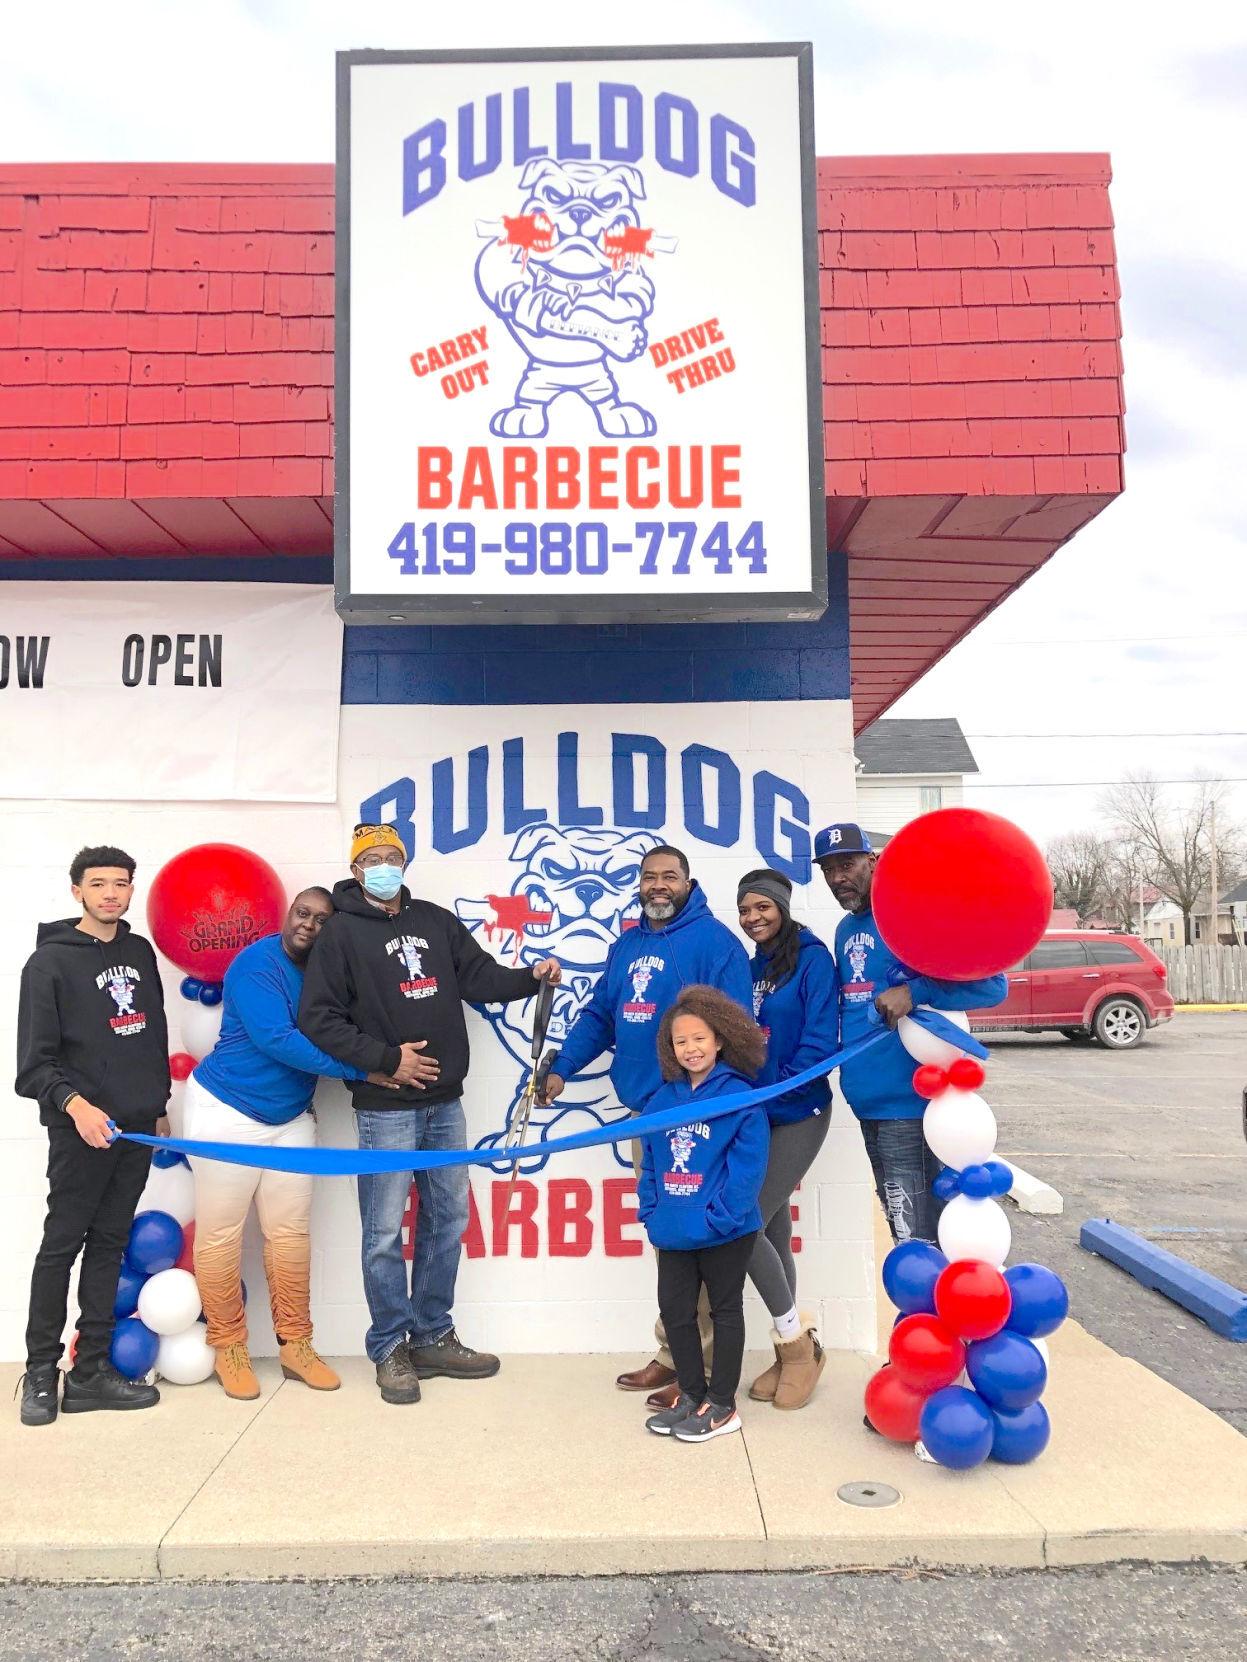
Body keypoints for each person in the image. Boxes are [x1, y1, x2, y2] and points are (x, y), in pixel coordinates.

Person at [297, 824, 561, 1405]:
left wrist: (529, 977)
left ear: (405, 863)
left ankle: (434, 1334)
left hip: (446, 1104)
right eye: (373, 859)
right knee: (384, 1232)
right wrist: (387, 1060)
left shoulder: (436, 921)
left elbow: (480, 977)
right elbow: (319, 1018)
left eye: (393, 857)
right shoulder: (339, 934)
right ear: (357, 868)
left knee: (447, 1222)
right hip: (386, 1107)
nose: (384, 866)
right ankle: (391, 1344)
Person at [186, 887, 424, 1400]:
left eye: (322, 919)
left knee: (289, 1236)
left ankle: (296, 1345)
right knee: (221, 1237)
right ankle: (228, 1345)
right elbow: (280, 1041)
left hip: (291, 1118)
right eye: (302, 914)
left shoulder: (331, 970)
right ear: (287, 914)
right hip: (225, 1112)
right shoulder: (256, 964)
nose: (310, 926)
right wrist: (367, 1067)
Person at [540, 844, 752, 1405]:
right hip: (647, 1117)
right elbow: (600, 1016)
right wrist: (562, 1067)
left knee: (700, 1239)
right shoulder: (627, 944)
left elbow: (737, 1030)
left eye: (670, 877)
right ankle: (676, 1353)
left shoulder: (715, 944)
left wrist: (708, 1104)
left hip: (698, 1120)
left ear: (688, 882)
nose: (659, 885)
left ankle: (696, 1370)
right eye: (649, 877)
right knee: (672, 1245)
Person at [15, 846, 169, 1426]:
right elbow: (34, 1065)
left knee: (109, 1246)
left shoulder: (139, 952)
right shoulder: (48, 964)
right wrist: (77, 1107)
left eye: (121, 883)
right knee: (61, 1248)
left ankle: (91, 1374)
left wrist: (157, 1104)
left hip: (134, 1130)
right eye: (98, 883)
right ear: (76, 890)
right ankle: (39, 1375)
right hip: (81, 1132)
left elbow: (151, 1030)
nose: (111, 893)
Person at [815, 823, 1007, 1245]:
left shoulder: (912, 915)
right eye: (827, 870)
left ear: (874, 861)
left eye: (846, 865)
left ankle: (943, 1309)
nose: (837, 878)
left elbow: (993, 985)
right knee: (902, 1228)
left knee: (914, 1238)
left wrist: (914, 991)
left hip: (910, 1102)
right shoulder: (845, 930)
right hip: (866, 1100)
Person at [637, 985, 769, 1443]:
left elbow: (748, 1169)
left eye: (699, 1039)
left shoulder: (740, 1098)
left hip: (723, 1232)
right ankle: (692, 1396)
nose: (690, 1048)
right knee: (676, 1313)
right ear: (669, 1048)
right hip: (672, 1229)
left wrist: (721, 1218)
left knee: (724, 1312)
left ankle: (723, 1405)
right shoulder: (663, 1100)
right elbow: (651, 1159)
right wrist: (652, 1210)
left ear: (719, 1040)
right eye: (680, 1041)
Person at [736, 868, 840, 1410]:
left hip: (799, 1111)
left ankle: (800, 1349)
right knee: (772, 1231)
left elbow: (820, 1042)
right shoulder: (753, 967)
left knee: (743, 1219)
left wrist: (770, 1091)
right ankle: (788, 1353)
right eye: (745, 910)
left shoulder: (814, 959)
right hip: (755, 1117)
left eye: (763, 907)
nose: (754, 918)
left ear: (782, 906)